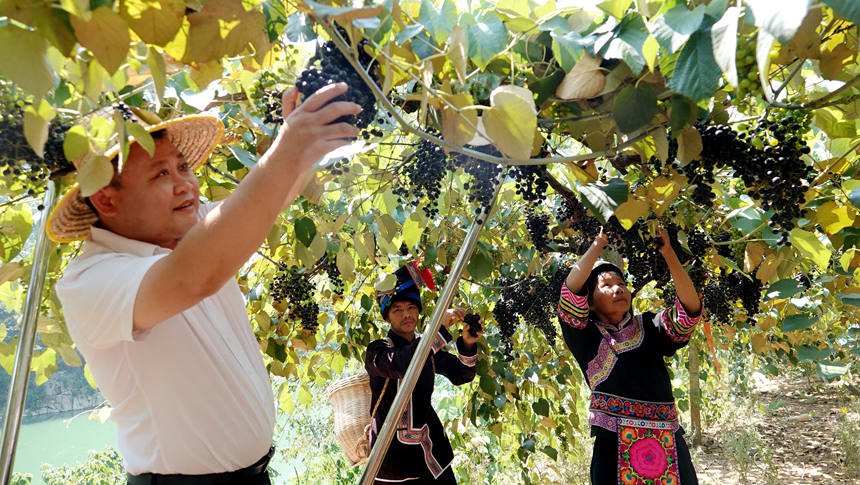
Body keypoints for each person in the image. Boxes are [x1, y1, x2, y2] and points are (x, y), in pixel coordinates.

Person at [49, 83, 362, 484]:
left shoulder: (189, 231)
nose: (186, 185)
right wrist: (287, 148)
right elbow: (192, 277)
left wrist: (305, 148)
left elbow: (266, 203)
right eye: (161, 173)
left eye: (183, 167)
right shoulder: (91, 279)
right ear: (106, 200)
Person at [557, 227, 702, 485]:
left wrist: (669, 254)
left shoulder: (650, 326)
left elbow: (689, 313)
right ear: (588, 302)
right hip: (612, 444)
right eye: (607, 285)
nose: (618, 289)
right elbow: (570, 289)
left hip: (667, 441)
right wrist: (598, 243)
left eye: (622, 284)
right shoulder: (585, 337)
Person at [365, 261, 483, 484]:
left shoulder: (428, 347)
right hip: (392, 464)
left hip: (432, 456)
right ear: (387, 316)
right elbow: (400, 364)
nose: (406, 314)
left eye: (411, 308)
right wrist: (437, 332)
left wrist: (467, 344)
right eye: (397, 310)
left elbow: (461, 375)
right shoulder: (377, 350)